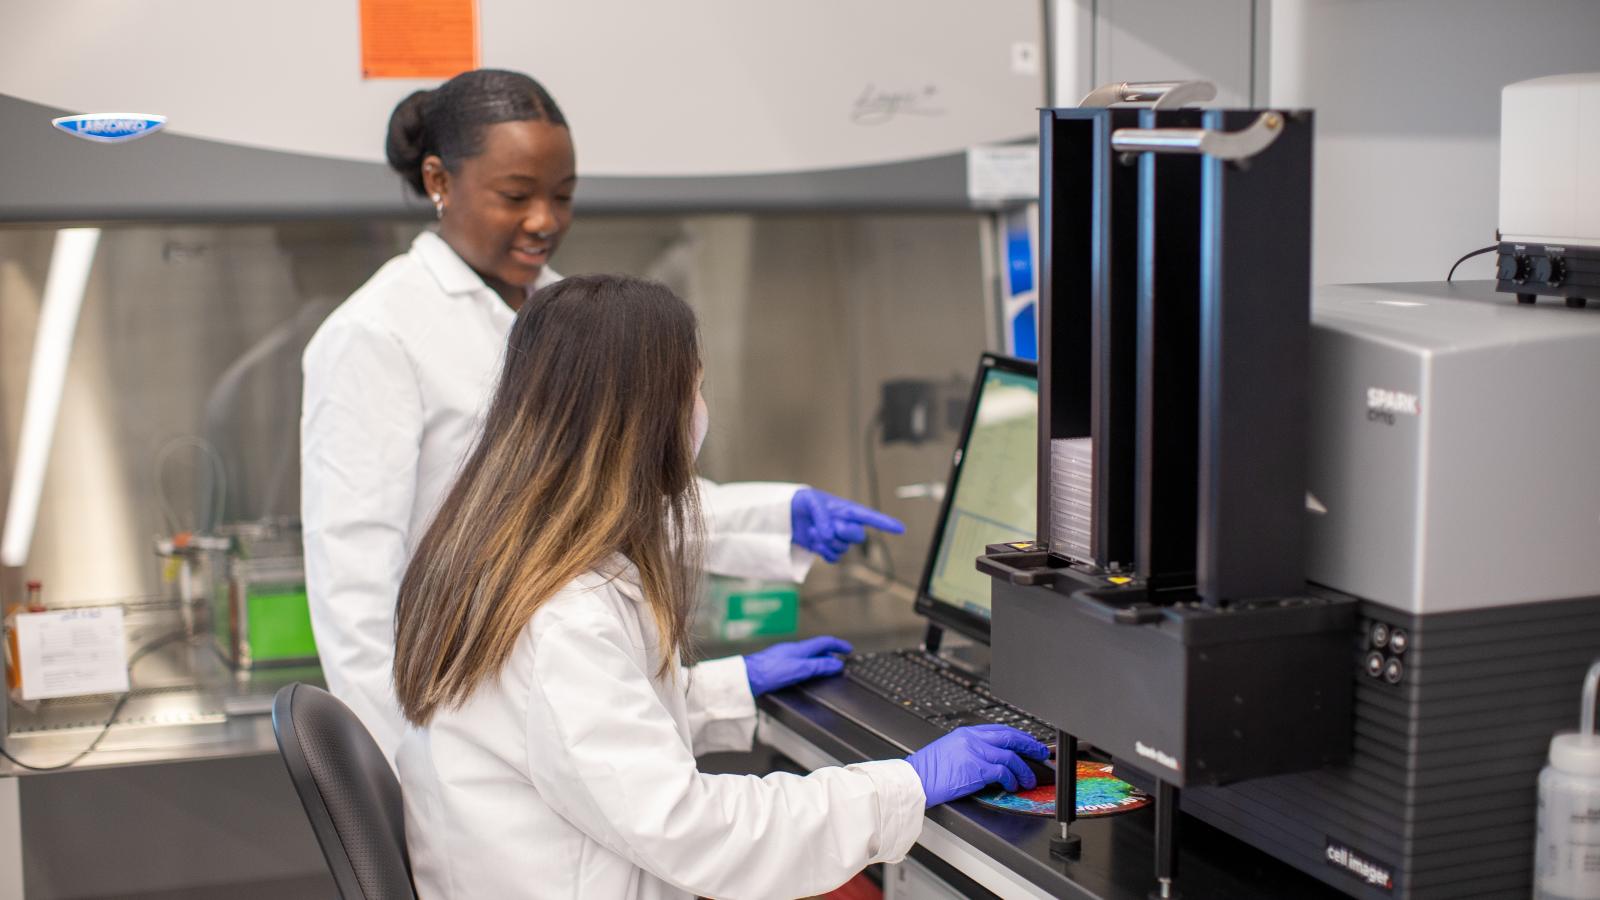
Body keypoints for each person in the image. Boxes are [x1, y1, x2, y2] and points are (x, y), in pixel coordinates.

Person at [301, 70, 904, 759]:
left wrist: (775, 514)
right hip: (446, 723)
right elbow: (354, 591)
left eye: (563, 196)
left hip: (533, 699)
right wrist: (401, 777)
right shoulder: (377, 333)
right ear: (440, 181)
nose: (545, 221)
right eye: (516, 196)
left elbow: (595, 502)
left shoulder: (557, 308)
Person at [393, 274, 1049, 899]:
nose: (702, 414)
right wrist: (909, 783)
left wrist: (730, 687)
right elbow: (700, 832)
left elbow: (576, 732)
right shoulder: (566, 618)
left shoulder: (495, 550)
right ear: (642, 420)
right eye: (696, 390)